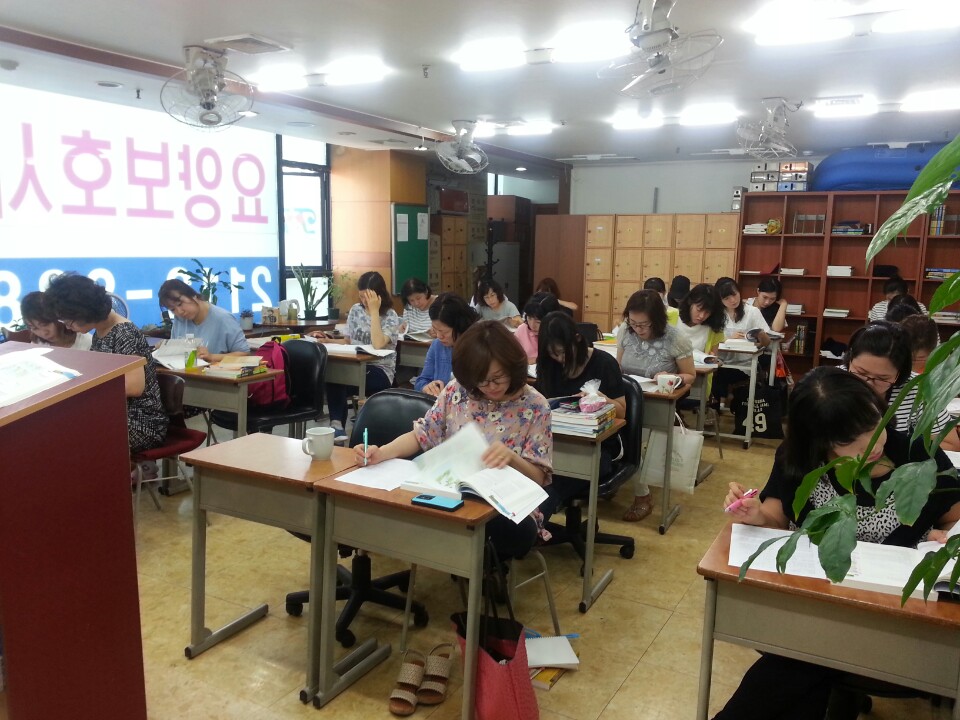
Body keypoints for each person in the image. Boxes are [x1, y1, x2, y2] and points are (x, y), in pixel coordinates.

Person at [718, 367, 960, 720]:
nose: (870, 443)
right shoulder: (799, 459)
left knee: (800, 660)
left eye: (873, 423)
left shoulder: (919, 457)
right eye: (848, 439)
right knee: (809, 658)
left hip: (891, 615)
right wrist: (755, 515)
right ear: (818, 439)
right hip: (816, 604)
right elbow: (776, 519)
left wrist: (940, 540)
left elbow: (955, 517)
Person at [355, 320, 552, 559]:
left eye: (497, 378)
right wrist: (381, 452)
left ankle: (481, 571)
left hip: (506, 506)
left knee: (496, 531)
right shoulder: (458, 391)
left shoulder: (535, 405)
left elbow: (539, 478)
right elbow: (422, 435)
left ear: (512, 366)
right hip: (452, 494)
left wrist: (511, 458)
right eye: (480, 380)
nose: (489, 387)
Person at [44, 273, 167, 454]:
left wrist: (84, 388)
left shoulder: (124, 332)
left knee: (68, 434)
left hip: (140, 421)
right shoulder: (100, 332)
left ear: (84, 311)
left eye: (69, 321)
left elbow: (134, 386)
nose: (68, 327)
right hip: (114, 412)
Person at [536, 311, 626, 520]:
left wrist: (601, 399)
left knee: (551, 486)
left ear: (577, 339)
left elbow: (622, 411)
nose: (559, 359)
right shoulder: (549, 365)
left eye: (562, 352)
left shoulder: (604, 363)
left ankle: (534, 525)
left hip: (597, 448)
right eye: (553, 354)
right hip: (555, 444)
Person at [615, 290, 694, 522]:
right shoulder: (626, 330)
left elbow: (690, 375)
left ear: (657, 320)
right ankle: (616, 478)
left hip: (657, 402)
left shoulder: (675, 338)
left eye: (644, 325)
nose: (637, 329)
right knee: (608, 435)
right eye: (633, 323)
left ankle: (643, 496)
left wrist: (672, 378)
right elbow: (618, 367)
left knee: (632, 441)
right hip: (626, 399)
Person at [844, 320, 960, 451]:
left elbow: (950, 444)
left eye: (882, 378)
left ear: (900, 373)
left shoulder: (918, 388)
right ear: (850, 358)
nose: (868, 384)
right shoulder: (829, 383)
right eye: (860, 372)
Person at [311, 271, 400, 434]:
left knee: (342, 377)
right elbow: (349, 340)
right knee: (334, 375)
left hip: (379, 369)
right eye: (361, 297)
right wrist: (327, 341)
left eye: (368, 297)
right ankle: (337, 426)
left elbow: (378, 344)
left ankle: (340, 425)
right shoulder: (355, 310)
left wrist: (374, 311)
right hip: (354, 364)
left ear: (378, 295)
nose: (364, 301)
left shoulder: (390, 315)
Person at [158, 278, 249, 362]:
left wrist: (212, 357)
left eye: (180, 304)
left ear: (193, 295)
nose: (179, 312)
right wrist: (166, 348)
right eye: (173, 309)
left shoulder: (223, 318)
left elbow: (244, 354)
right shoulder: (179, 320)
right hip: (185, 373)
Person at [712, 278, 771, 406]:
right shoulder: (716, 314)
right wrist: (727, 339)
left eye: (734, 294)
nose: (733, 300)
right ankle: (717, 406)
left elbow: (767, 343)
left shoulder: (752, 312)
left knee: (722, 374)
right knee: (716, 371)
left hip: (745, 363)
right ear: (720, 300)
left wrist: (761, 335)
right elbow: (710, 338)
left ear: (739, 291)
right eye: (727, 298)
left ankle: (720, 404)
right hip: (721, 360)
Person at [414, 293, 478, 396]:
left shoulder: (478, 347)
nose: (439, 336)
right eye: (435, 329)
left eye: (444, 332)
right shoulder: (437, 346)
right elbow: (421, 380)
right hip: (440, 403)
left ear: (460, 326)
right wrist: (426, 387)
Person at [20, 290, 92, 350]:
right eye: (34, 328)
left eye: (45, 324)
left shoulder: (87, 343)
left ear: (58, 316)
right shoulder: (37, 343)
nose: (44, 333)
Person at [677, 283, 725, 354]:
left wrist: (712, 358)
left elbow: (713, 357)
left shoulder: (714, 329)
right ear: (690, 302)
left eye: (707, 312)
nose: (702, 316)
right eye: (699, 309)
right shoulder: (671, 317)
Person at [515, 292, 560, 364]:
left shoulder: (558, 333)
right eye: (529, 318)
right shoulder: (522, 330)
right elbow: (512, 356)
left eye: (538, 322)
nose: (532, 325)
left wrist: (537, 360)